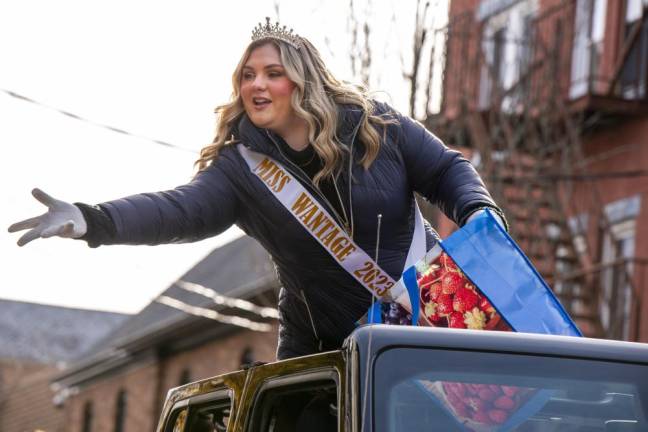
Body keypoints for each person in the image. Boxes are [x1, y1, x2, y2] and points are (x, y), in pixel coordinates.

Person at [8, 18, 506, 360]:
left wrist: (477, 210)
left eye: (273, 73)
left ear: (303, 82)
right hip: (325, 349)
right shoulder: (239, 168)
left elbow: (445, 170)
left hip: (431, 318)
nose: (256, 85)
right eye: (248, 76)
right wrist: (92, 219)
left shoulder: (378, 127)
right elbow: (179, 211)